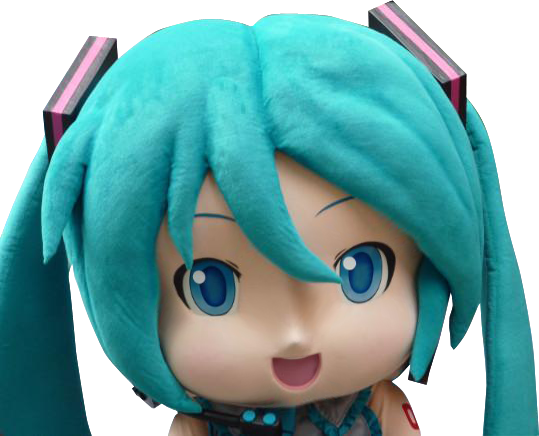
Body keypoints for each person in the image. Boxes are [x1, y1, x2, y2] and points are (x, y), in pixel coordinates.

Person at [0, 14, 536, 436]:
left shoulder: (377, 407)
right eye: (210, 286)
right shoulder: (197, 426)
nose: (295, 336)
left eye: (361, 271)